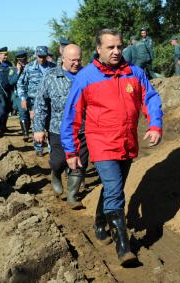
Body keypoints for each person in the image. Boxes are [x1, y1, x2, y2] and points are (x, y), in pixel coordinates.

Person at [60, 29, 163, 266]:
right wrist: (71, 150)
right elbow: (71, 116)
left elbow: (151, 99)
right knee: (115, 190)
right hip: (101, 143)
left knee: (112, 187)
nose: (116, 51)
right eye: (110, 47)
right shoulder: (85, 77)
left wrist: (155, 124)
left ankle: (99, 222)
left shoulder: (135, 73)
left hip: (127, 141)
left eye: (119, 46)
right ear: (98, 49)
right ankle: (123, 247)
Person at [34, 44, 88, 209]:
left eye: (79, 60)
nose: (76, 63)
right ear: (63, 59)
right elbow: (41, 103)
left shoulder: (86, 75)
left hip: (84, 129)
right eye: (72, 60)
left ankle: (72, 196)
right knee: (59, 161)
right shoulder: (51, 76)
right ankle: (56, 173)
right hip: (58, 128)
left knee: (80, 163)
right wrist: (38, 129)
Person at [17, 46, 56, 157]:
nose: (42, 59)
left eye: (44, 56)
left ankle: (51, 147)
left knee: (51, 125)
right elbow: (21, 84)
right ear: (36, 55)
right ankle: (38, 147)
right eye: (40, 57)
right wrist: (23, 98)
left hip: (51, 102)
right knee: (37, 124)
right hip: (34, 102)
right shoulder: (29, 68)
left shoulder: (54, 68)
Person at [0, 47, 16, 132]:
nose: (6, 57)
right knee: (2, 108)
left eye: (6, 55)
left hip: (8, 90)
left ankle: (4, 126)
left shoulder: (9, 64)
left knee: (7, 108)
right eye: (4, 55)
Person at [10, 51, 30, 141]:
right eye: (21, 61)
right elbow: (11, 82)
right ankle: (25, 134)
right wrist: (18, 71)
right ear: (18, 61)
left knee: (30, 115)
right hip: (19, 95)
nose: (23, 62)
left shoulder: (31, 67)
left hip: (31, 93)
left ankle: (28, 127)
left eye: (24, 60)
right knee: (23, 112)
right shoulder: (13, 70)